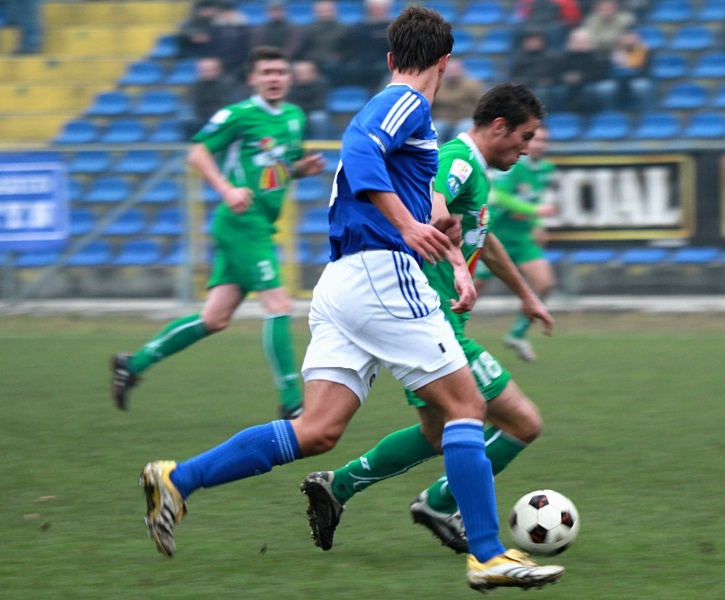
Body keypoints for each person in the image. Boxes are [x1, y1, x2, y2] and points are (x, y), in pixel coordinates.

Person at [137, 7, 565, 592]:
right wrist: (407, 227)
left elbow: (414, 192)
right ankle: (488, 554)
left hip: (342, 281)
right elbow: (359, 146)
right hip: (382, 274)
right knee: (466, 410)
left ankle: (177, 478)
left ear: (391, 55)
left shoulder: (409, 117)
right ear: (442, 61)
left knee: (317, 430)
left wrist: (448, 258)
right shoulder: (406, 102)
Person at [300, 82, 553, 557]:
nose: (528, 148)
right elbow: (434, 202)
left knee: (439, 433)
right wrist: (456, 264)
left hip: (430, 318)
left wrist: (527, 296)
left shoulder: (475, 170)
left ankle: (340, 486)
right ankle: (441, 504)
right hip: (429, 321)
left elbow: (486, 239)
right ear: (499, 127)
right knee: (523, 423)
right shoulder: (458, 160)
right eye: (525, 136)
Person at [111, 46, 325, 420]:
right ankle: (292, 402)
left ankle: (133, 364)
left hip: (258, 224)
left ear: (289, 78)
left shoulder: (294, 117)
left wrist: (300, 170)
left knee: (215, 318)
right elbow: (197, 152)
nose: (274, 78)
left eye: (280, 71)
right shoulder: (238, 115)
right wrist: (226, 189)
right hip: (242, 222)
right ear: (252, 79)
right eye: (266, 72)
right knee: (279, 305)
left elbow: (274, 169)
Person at [475, 125, 556, 362]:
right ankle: (449, 335)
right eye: (536, 139)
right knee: (470, 291)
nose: (540, 144)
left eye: (544, 140)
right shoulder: (514, 166)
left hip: (521, 238)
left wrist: (537, 224)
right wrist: (534, 210)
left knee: (545, 283)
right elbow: (501, 196)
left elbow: (536, 196)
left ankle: (518, 334)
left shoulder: (545, 169)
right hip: (496, 236)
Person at [183, 57, 238, 138]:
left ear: (219, 70)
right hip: (201, 117)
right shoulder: (196, 86)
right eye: (204, 70)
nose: (207, 73)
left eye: (210, 70)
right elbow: (190, 102)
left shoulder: (229, 84)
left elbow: (228, 105)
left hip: (221, 117)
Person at [430, 59, 484, 142]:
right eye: (450, 70)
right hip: (442, 118)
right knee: (436, 128)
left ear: (462, 70)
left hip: (464, 118)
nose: (453, 73)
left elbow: (480, 103)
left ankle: (455, 152)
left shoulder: (472, 85)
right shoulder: (438, 84)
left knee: (463, 129)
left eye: (455, 70)